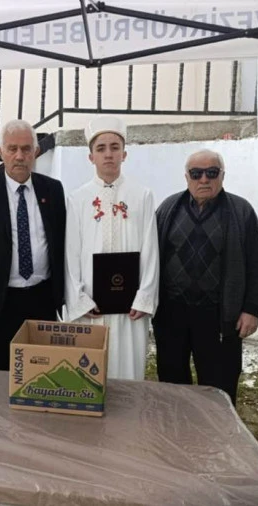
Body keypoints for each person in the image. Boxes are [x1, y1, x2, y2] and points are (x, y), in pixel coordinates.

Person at [153, 149, 258, 405]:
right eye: (196, 173)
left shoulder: (241, 212)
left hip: (219, 317)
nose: (204, 179)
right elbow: (151, 257)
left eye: (211, 172)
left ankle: (218, 430)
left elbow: (257, 265)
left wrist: (252, 309)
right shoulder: (168, 208)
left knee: (219, 388)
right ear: (187, 177)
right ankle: (176, 426)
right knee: (172, 383)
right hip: (172, 314)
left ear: (222, 175)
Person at [0, 119, 66, 370]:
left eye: (26, 149)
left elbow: (61, 242)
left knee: (41, 368)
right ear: (1, 152)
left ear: (36, 152)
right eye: (12, 149)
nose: (20, 156)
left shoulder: (52, 190)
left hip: (42, 297)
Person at [64, 116, 160, 380]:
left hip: (130, 308)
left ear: (124, 154)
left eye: (115, 147)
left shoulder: (142, 195)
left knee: (128, 370)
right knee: (89, 373)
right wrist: (79, 299)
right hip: (91, 306)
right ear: (91, 157)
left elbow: (151, 249)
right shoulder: (77, 199)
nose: (108, 154)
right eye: (101, 148)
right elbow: (71, 253)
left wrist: (144, 297)